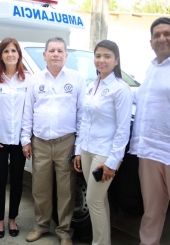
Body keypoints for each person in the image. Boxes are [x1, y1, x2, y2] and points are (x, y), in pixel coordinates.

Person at [21, 37, 86, 245]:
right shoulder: (35, 80)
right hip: (39, 141)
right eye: (52, 50)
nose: (56, 54)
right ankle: (41, 226)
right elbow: (27, 112)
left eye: (60, 51)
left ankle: (65, 232)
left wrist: (79, 147)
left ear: (66, 55)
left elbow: (82, 115)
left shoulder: (77, 79)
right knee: (40, 188)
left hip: (66, 142)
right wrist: (25, 139)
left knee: (66, 190)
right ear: (45, 55)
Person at [73, 40, 132, 244]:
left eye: (107, 56)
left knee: (93, 200)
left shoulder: (120, 89)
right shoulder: (92, 84)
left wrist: (112, 162)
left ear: (116, 60)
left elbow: (123, 130)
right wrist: (78, 150)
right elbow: (84, 121)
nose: (102, 60)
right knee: (101, 201)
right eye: (98, 55)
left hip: (104, 154)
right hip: (88, 149)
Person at [129, 17, 170, 245]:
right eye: (157, 35)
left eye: (167, 33)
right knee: (151, 213)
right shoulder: (151, 67)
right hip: (148, 152)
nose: (162, 38)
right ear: (151, 42)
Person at [0, 37, 30, 238]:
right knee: (0, 181)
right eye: (6, 51)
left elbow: (29, 111)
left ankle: (13, 219)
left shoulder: (28, 79)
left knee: (17, 181)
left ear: (19, 54)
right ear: (0, 55)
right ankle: (0, 220)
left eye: (14, 51)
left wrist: (26, 140)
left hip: (20, 141)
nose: (10, 54)